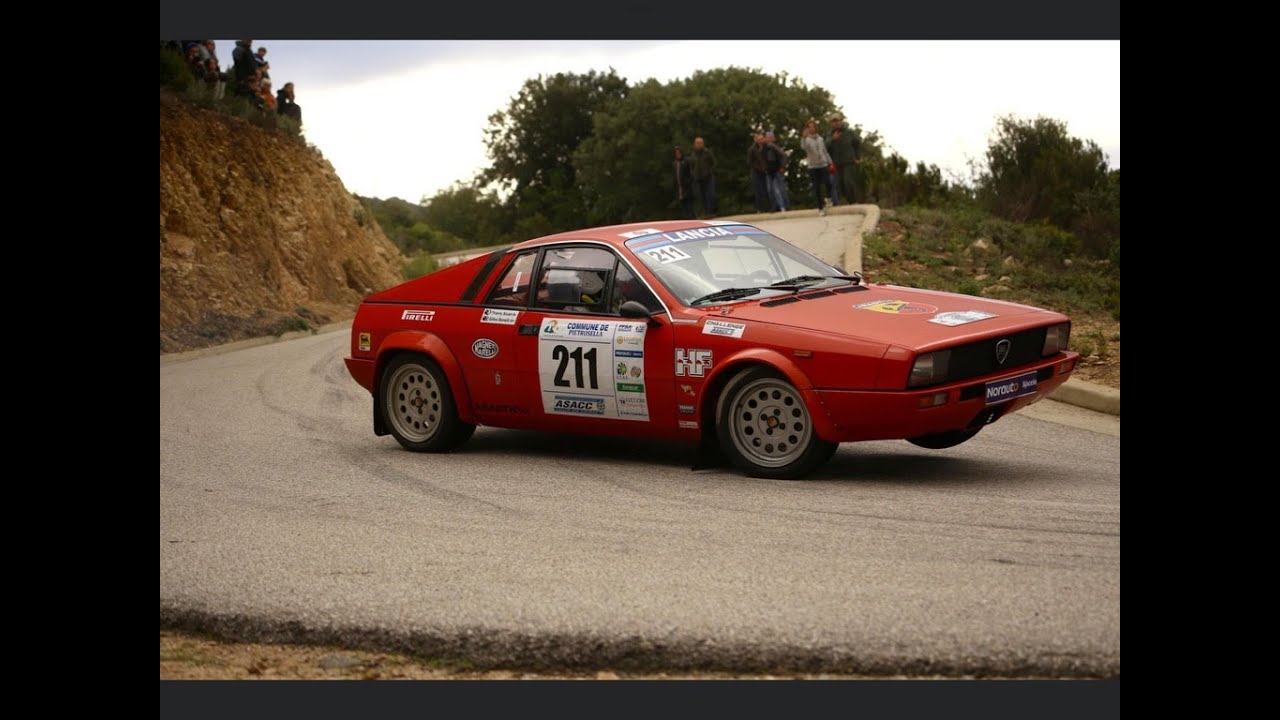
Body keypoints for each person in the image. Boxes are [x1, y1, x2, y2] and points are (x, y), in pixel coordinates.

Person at [826, 113, 862, 205]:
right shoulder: (829, 135)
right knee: (840, 185)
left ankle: (853, 201)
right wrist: (833, 139)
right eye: (833, 121)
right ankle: (848, 201)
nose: (836, 123)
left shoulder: (849, 132)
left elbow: (857, 144)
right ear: (831, 123)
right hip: (837, 163)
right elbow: (825, 147)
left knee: (848, 182)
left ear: (841, 121)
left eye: (837, 121)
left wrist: (858, 157)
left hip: (849, 161)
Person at [801, 120, 834, 215]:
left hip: (823, 164)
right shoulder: (806, 140)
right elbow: (803, 147)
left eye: (813, 126)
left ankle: (828, 198)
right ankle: (820, 207)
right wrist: (803, 137)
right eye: (809, 127)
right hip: (813, 166)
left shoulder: (820, 139)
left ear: (815, 128)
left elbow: (824, 151)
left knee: (828, 182)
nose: (811, 128)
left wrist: (830, 162)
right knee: (817, 187)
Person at [687, 136, 717, 217]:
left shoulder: (708, 153)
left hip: (708, 177)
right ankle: (704, 213)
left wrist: (709, 171)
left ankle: (710, 212)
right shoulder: (693, 155)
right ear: (694, 144)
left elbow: (713, 163)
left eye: (700, 143)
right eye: (697, 143)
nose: (699, 145)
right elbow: (691, 166)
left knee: (710, 195)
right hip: (697, 179)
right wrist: (693, 174)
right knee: (700, 197)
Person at [762, 130, 790, 212]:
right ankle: (774, 206)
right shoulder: (764, 148)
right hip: (769, 171)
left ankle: (785, 206)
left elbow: (783, 156)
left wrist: (782, 167)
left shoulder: (775, 147)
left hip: (777, 170)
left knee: (781, 188)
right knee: (770, 190)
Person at [747, 131, 770, 212]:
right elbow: (750, 162)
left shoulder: (765, 147)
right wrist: (757, 168)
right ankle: (760, 208)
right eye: (757, 138)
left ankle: (767, 207)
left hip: (764, 171)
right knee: (758, 190)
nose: (759, 139)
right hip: (756, 172)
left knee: (765, 189)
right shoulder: (752, 149)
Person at [672, 146, 694, 219]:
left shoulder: (686, 161)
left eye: (678, 152)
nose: (677, 154)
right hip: (679, 187)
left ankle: (692, 217)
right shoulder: (675, 163)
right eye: (676, 153)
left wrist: (689, 181)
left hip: (687, 186)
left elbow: (691, 173)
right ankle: (687, 218)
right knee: (683, 204)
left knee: (689, 203)